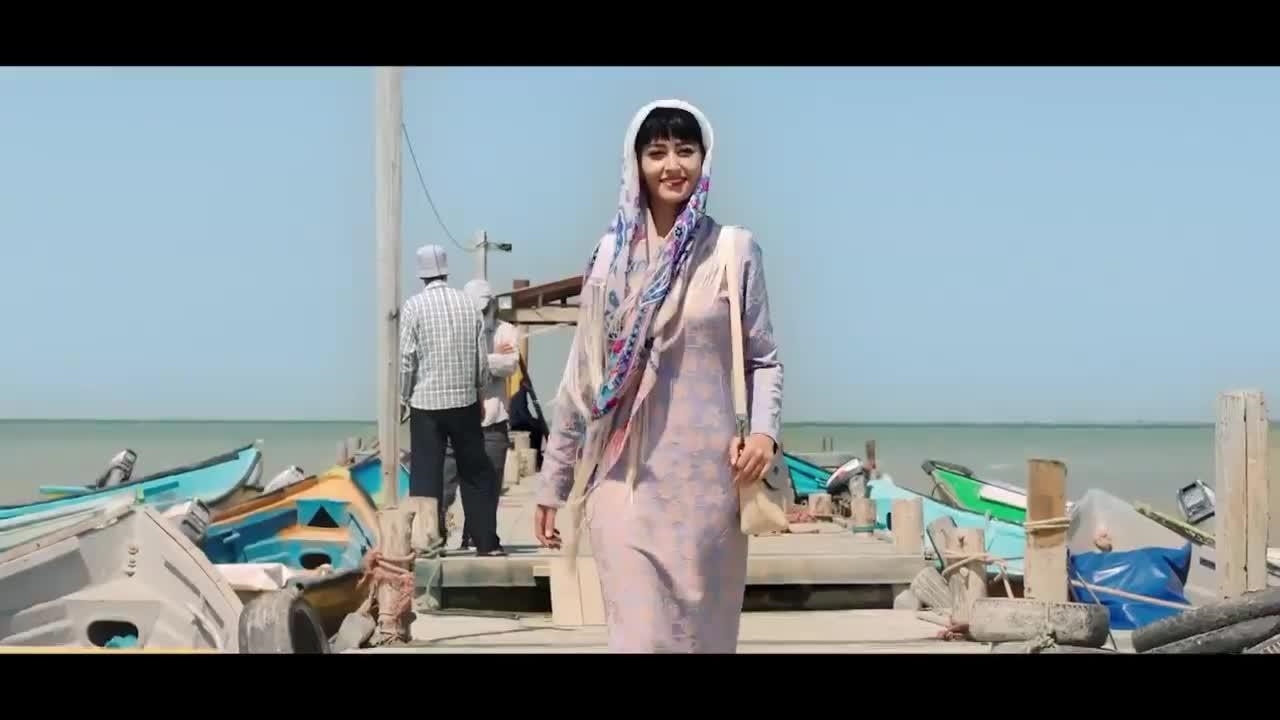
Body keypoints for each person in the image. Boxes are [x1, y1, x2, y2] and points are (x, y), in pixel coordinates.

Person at [532, 99, 784, 652]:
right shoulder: (609, 260)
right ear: (636, 163)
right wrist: (553, 483)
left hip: (709, 490)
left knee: (702, 641)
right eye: (657, 152)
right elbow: (583, 380)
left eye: (685, 151)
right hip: (623, 484)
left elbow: (763, 360)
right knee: (637, 638)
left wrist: (765, 433)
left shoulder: (733, 251)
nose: (673, 165)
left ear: (704, 159)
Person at [399, 244, 505, 557]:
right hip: (464, 402)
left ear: (420, 274)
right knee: (475, 472)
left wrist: (404, 397)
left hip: (425, 404)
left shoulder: (413, 307)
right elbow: (480, 360)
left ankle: (428, 543)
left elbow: (407, 360)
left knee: (425, 475)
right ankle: (486, 543)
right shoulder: (468, 305)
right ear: (446, 270)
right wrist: (479, 393)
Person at [441, 278, 520, 550]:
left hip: (493, 424)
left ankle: (478, 537)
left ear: (493, 305)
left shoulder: (506, 331)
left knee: (489, 488)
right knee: (444, 487)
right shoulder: (453, 331)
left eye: (484, 308)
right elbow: (449, 367)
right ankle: (436, 538)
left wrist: (475, 360)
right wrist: (490, 358)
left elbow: (509, 365)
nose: (481, 314)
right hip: (458, 422)